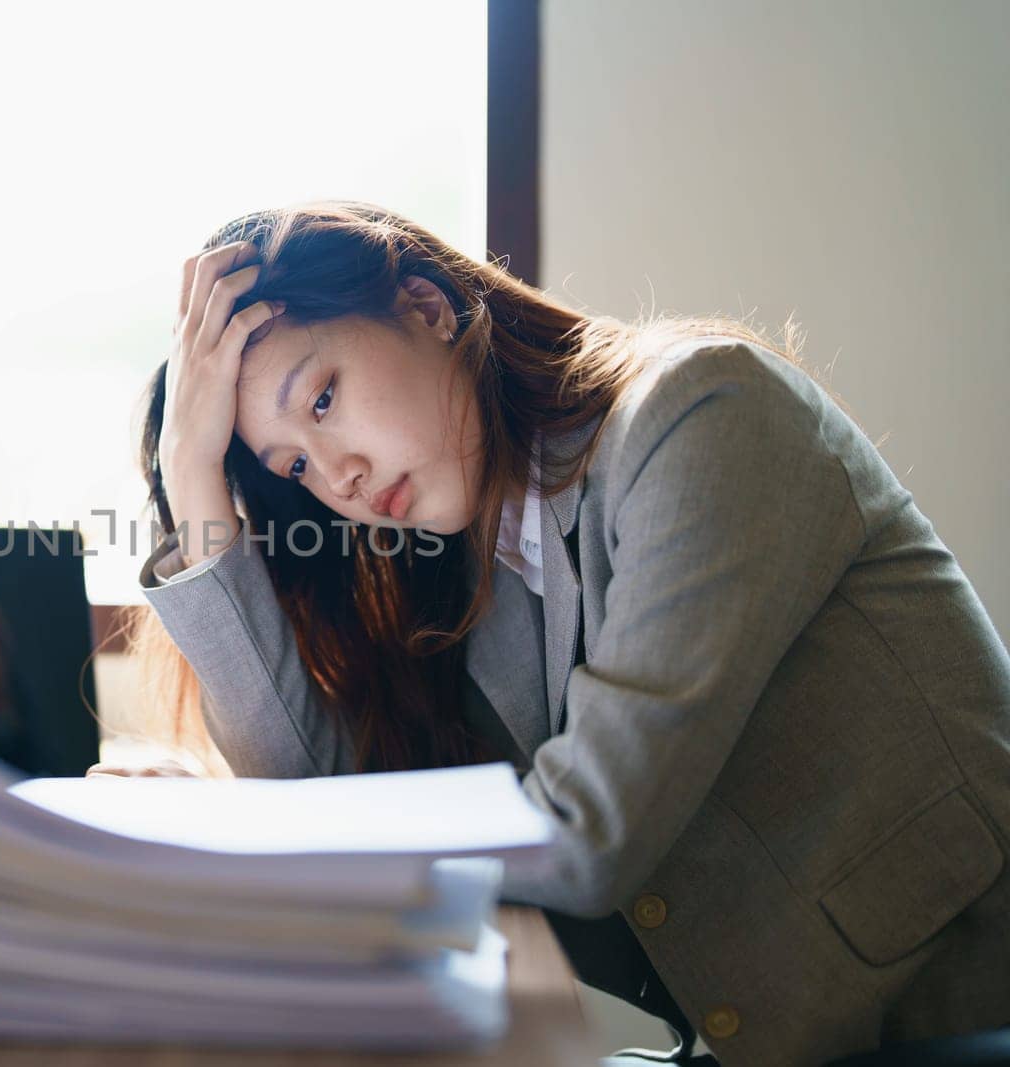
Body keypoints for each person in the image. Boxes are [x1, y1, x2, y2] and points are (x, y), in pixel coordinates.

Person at [110, 200, 1010, 1066]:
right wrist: (191, 479)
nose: (336, 476)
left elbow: (587, 837)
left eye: (322, 399)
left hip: (954, 1022)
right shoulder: (487, 569)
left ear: (427, 306)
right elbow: (320, 793)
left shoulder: (703, 412)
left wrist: (281, 840)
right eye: (295, 466)